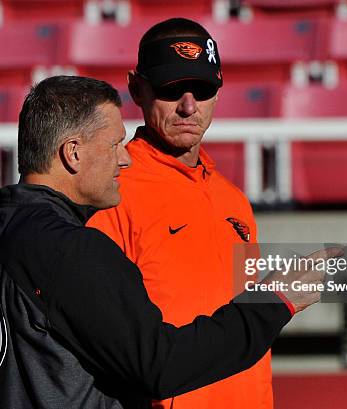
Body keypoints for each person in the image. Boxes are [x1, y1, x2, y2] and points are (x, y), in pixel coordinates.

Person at [0, 75, 337, 409]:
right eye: (114, 145)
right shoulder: (72, 249)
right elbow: (160, 366)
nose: (125, 159)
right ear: (72, 153)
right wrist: (275, 300)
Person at [87, 18, 271, 409]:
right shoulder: (110, 192)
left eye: (202, 89)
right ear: (137, 89)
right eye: (172, 89)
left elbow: (246, 323)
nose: (189, 106)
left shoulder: (234, 200)